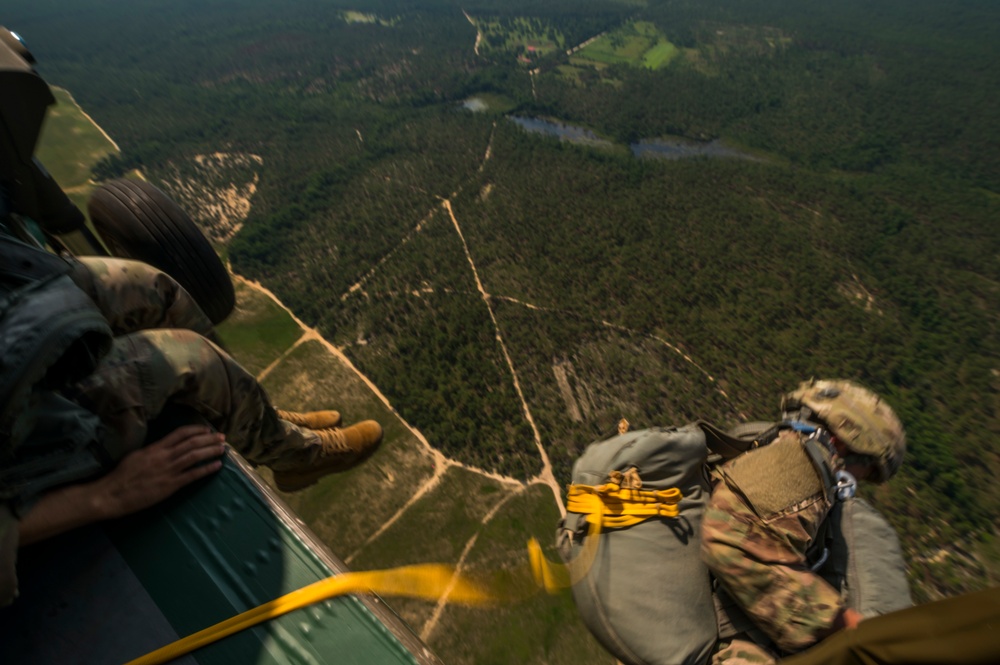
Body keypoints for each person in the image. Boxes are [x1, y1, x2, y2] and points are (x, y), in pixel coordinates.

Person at [0, 229, 383, 605]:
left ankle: (250, 409)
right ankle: (295, 457)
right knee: (191, 360)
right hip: (25, 437)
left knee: (155, 288)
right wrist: (103, 497)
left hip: (16, 325)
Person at [700, 379, 907, 665]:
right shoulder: (806, 460)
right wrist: (844, 622)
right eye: (867, 469)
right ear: (845, 442)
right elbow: (727, 535)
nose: (858, 481)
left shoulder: (764, 443)